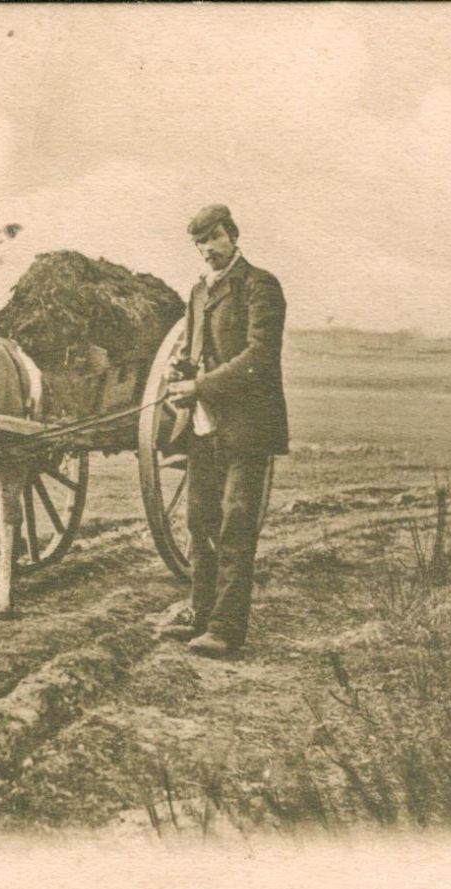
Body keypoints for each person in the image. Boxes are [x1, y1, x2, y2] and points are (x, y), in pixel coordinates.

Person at [161, 204, 288, 658]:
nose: (207, 249)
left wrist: (199, 384)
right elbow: (195, 349)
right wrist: (182, 369)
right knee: (200, 522)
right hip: (203, 426)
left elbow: (258, 358)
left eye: (214, 238)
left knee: (236, 525)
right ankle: (200, 615)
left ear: (232, 235)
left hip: (248, 426)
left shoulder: (260, 286)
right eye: (199, 242)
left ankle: (227, 628)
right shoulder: (198, 292)